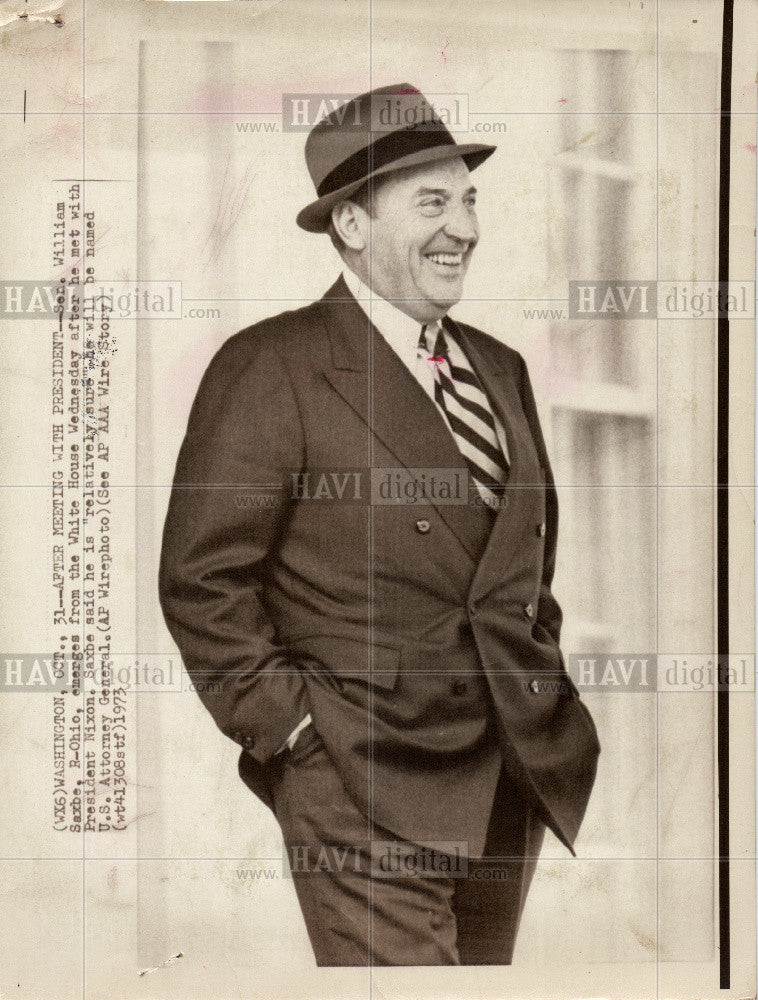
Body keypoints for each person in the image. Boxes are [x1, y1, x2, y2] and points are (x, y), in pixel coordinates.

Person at [159, 82, 600, 966]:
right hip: (360, 782)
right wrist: (294, 738)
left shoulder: (500, 369)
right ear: (350, 226)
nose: (465, 229)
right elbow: (202, 582)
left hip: (510, 776)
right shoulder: (270, 366)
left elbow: (520, 575)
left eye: (468, 200)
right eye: (431, 202)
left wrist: (539, 682)